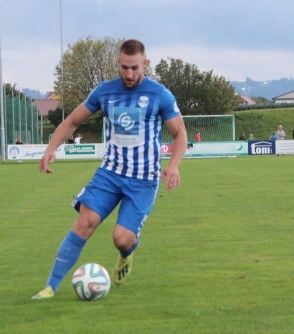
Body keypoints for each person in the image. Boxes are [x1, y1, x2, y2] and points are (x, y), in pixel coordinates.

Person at [32, 39, 188, 299]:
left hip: (143, 180)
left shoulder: (159, 94)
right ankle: (51, 286)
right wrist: (51, 148)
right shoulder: (105, 91)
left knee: (121, 238)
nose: (129, 74)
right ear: (118, 62)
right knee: (85, 222)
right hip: (110, 173)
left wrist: (173, 165)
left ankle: (127, 254)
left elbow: (180, 134)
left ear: (145, 63)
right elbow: (71, 122)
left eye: (135, 68)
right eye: (124, 67)